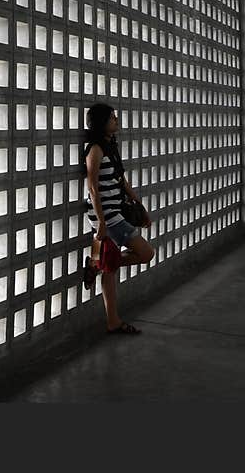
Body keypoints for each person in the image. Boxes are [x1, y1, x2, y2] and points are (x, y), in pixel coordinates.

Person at [81, 103, 154, 335]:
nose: (117, 120)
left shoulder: (110, 146)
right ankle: (98, 264)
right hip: (106, 215)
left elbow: (120, 179)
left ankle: (96, 263)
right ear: (102, 122)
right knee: (146, 253)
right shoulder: (95, 148)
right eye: (113, 117)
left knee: (111, 267)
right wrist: (101, 220)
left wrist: (139, 206)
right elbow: (92, 187)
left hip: (116, 212)